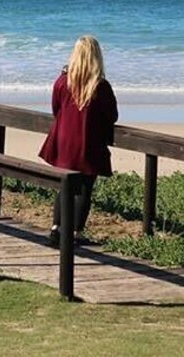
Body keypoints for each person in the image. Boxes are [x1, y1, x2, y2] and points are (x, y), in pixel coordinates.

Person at [38, 35, 118, 246]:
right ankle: (76, 232)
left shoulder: (62, 82)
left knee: (64, 186)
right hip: (88, 142)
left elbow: (55, 109)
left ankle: (56, 228)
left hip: (64, 140)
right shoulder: (100, 86)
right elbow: (112, 115)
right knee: (84, 188)